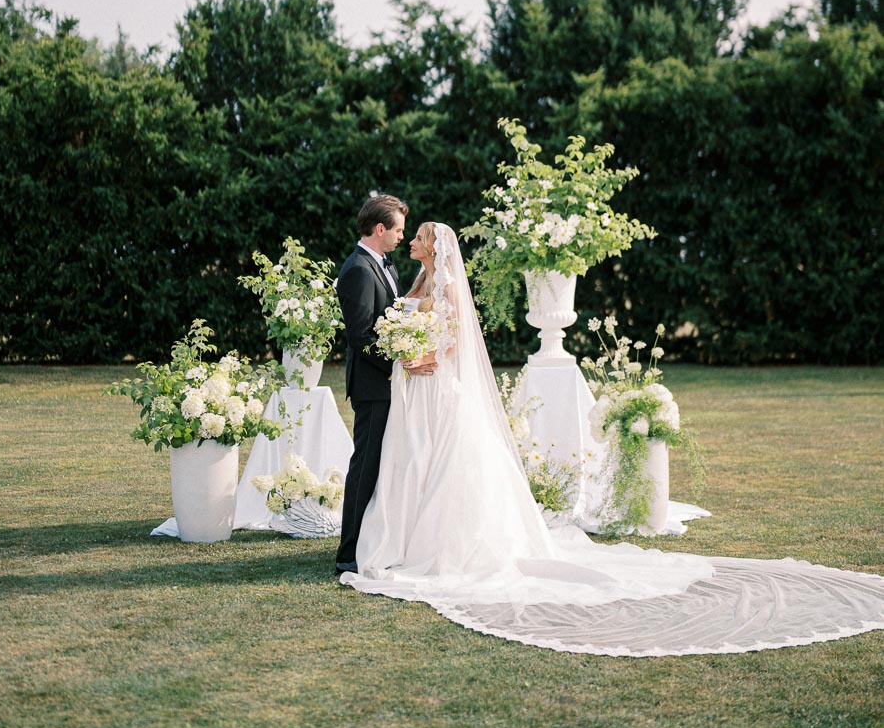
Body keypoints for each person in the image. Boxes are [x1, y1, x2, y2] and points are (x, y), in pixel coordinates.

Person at [340, 223, 884, 656]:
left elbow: (456, 338)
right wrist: (409, 351)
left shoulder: (445, 287)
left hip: (438, 387)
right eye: (406, 232)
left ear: (432, 246)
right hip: (414, 390)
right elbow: (391, 327)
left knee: (443, 467)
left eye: (418, 236)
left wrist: (428, 354)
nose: (411, 239)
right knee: (410, 463)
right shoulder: (409, 281)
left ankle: (436, 546)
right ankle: (405, 539)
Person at [334, 194, 436, 574]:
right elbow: (361, 336)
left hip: (392, 383)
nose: (401, 237)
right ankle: (348, 553)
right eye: (398, 230)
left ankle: (375, 541)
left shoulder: (385, 267)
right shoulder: (358, 269)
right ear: (380, 229)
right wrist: (402, 362)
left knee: (387, 466)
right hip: (373, 386)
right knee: (365, 467)